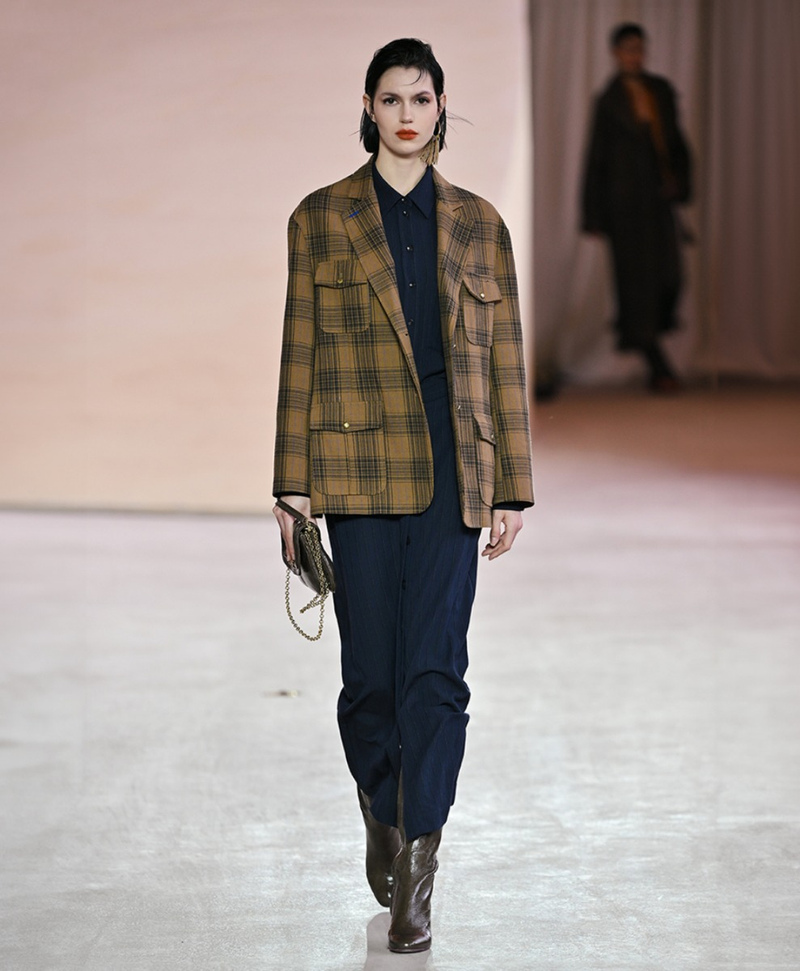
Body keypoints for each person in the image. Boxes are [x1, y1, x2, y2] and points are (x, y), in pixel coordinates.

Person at [272, 38, 533, 954]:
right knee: (369, 681)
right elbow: (300, 352)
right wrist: (292, 486)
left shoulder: (481, 225)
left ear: (441, 106)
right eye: (392, 99)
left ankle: (420, 862)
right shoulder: (321, 218)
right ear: (369, 108)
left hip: (458, 470)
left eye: (422, 98)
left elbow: (505, 360)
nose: (408, 114)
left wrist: (512, 486)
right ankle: (381, 805)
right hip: (357, 469)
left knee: (437, 673)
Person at [581, 22, 692, 392]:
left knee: (670, 277)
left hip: (659, 199)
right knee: (636, 285)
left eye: (640, 48)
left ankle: (650, 347)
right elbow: (596, 158)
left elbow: (675, 142)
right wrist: (592, 214)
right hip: (624, 206)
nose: (635, 55)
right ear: (616, 53)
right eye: (628, 49)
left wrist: (681, 182)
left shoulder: (659, 90)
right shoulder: (608, 100)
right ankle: (658, 366)